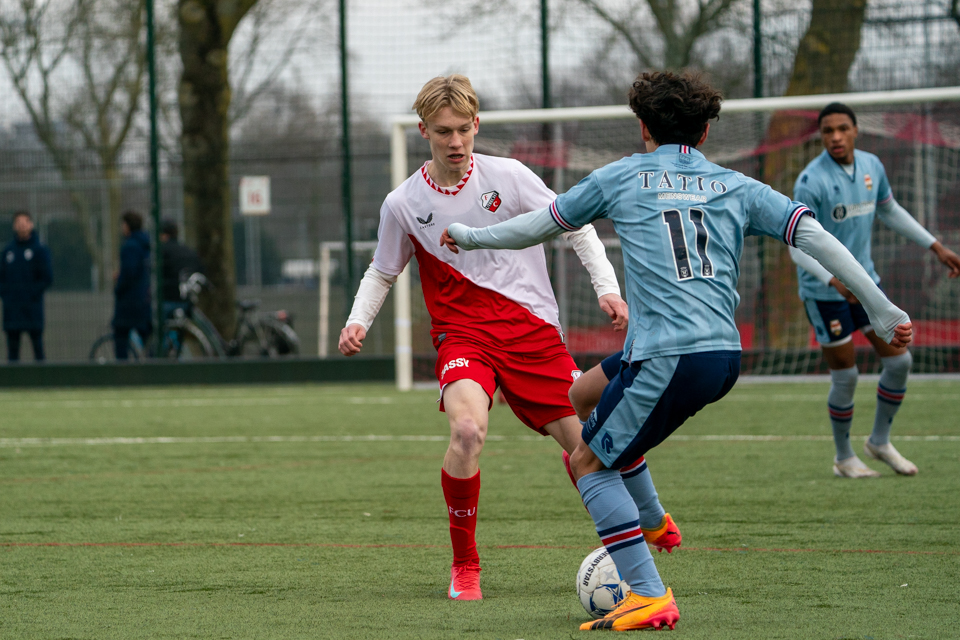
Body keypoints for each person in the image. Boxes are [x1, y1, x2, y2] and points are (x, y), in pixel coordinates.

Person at [442, 71, 913, 632]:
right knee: (582, 394)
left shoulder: (619, 177)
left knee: (587, 462)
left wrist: (468, 236)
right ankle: (652, 518)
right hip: (715, 354)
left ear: (643, 126)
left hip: (672, 358)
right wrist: (881, 308)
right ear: (706, 133)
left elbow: (536, 227)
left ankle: (647, 592)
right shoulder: (734, 184)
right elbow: (812, 235)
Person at [338, 74, 679, 602]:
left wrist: (608, 290)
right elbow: (382, 272)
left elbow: (578, 227)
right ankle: (465, 565)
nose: (455, 142)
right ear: (423, 131)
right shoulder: (402, 203)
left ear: (477, 125)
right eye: (444, 132)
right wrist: (358, 321)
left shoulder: (511, 177)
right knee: (468, 432)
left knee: (589, 445)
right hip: (463, 337)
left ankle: (639, 534)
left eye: (464, 130)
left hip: (533, 335)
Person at [788, 103, 960, 479]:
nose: (835, 137)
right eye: (828, 131)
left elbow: (891, 210)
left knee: (900, 361)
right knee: (846, 376)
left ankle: (879, 441)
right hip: (825, 292)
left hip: (865, 284)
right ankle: (844, 456)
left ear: (855, 131)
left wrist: (936, 246)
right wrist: (834, 279)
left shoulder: (872, 167)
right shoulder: (810, 181)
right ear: (821, 136)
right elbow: (795, 246)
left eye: (842, 129)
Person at [0, 211, 52, 361]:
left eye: (25, 223)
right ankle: (12, 383)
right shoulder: (8, 251)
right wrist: (7, 295)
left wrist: (32, 294)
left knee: (37, 348)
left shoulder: (39, 250)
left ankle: (43, 382)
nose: (22, 226)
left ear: (31, 224)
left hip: (32, 309)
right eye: (19, 223)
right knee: (13, 351)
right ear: (14, 226)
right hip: (12, 310)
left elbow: (47, 278)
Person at [113, 210, 152, 360]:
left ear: (128, 226)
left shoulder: (130, 246)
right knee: (146, 336)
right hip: (144, 298)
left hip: (128, 301)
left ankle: (123, 372)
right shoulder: (146, 244)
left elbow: (129, 273)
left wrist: (118, 287)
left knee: (120, 335)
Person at [160, 218, 203, 318]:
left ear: (164, 235)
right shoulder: (189, 251)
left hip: (168, 299)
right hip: (187, 302)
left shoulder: (162, 251)